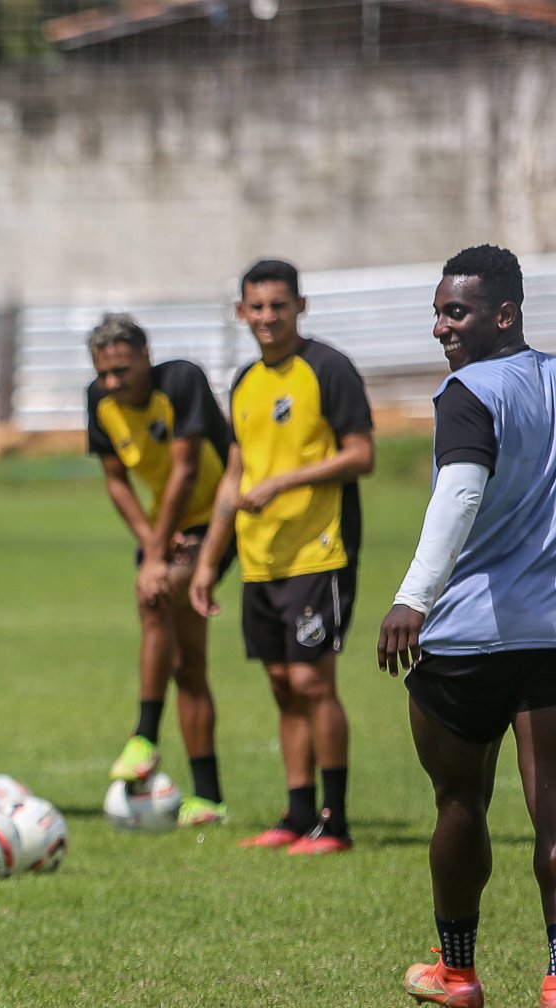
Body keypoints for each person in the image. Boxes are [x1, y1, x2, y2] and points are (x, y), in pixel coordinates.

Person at [379, 245, 556, 1008]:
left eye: (457, 312)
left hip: (470, 634)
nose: (441, 327)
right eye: (439, 311)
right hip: (551, 632)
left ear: (504, 314)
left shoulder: (467, 392)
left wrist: (412, 598)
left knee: (460, 801)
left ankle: (457, 971)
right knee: (553, 808)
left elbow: (458, 492)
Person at [190, 259, 374, 854]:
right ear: (242, 313)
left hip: (319, 552)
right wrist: (205, 563)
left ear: (301, 306)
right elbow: (235, 477)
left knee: (310, 681)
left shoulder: (329, 368)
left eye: (279, 305)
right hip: (259, 558)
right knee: (279, 683)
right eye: (257, 307)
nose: (268, 317)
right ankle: (295, 814)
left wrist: (288, 482)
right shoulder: (244, 381)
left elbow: (361, 454)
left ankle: (335, 820)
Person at [84, 313, 230, 825]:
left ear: (146, 355)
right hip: (166, 528)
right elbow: (116, 481)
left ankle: (144, 736)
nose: (113, 383)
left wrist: (153, 560)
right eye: (104, 373)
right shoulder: (98, 402)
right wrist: (151, 542)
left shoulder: (181, 380)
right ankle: (207, 797)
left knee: (158, 592)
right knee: (188, 663)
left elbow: (188, 470)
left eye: (122, 370)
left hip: (221, 516)